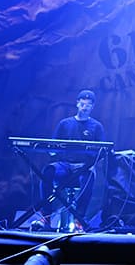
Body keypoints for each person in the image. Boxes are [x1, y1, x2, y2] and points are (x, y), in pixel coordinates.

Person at [35, 89, 106, 231]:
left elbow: (102, 151)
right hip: (64, 165)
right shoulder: (65, 124)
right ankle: (46, 217)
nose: (85, 107)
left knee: (89, 177)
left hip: (84, 167)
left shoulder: (97, 126)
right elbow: (53, 146)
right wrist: (55, 156)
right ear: (77, 104)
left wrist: (88, 163)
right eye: (82, 103)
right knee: (47, 171)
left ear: (92, 107)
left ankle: (79, 219)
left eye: (88, 105)